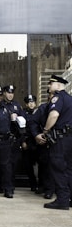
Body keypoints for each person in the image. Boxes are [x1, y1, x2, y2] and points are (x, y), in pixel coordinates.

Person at [35, 74, 72, 210]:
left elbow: (54, 115)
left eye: (50, 84)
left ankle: (62, 200)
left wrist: (45, 130)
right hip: (70, 139)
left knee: (58, 168)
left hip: (61, 140)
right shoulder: (70, 99)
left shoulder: (58, 97)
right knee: (69, 169)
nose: (49, 86)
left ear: (57, 85)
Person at [2, 85, 25, 192]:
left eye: (12, 93)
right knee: (3, 164)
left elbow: (23, 123)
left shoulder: (17, 106)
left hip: (15, 139)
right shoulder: (0, 105)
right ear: (4, 93)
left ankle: (10, 185)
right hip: (4, 139)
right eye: (8, 92)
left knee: (13, 164)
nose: (10, 94)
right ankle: (3, 186)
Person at [21, 94, 39, 192]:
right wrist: (23, 141)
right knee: (28, 165)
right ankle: (33, 184)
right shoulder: (23, 113)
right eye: (29, 102)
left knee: (40, 164)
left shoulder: (39, 112)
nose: (31, 104)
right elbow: (22, 129)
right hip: (28, 141)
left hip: (37, 141)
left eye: (32, 102)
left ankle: (40, 185)